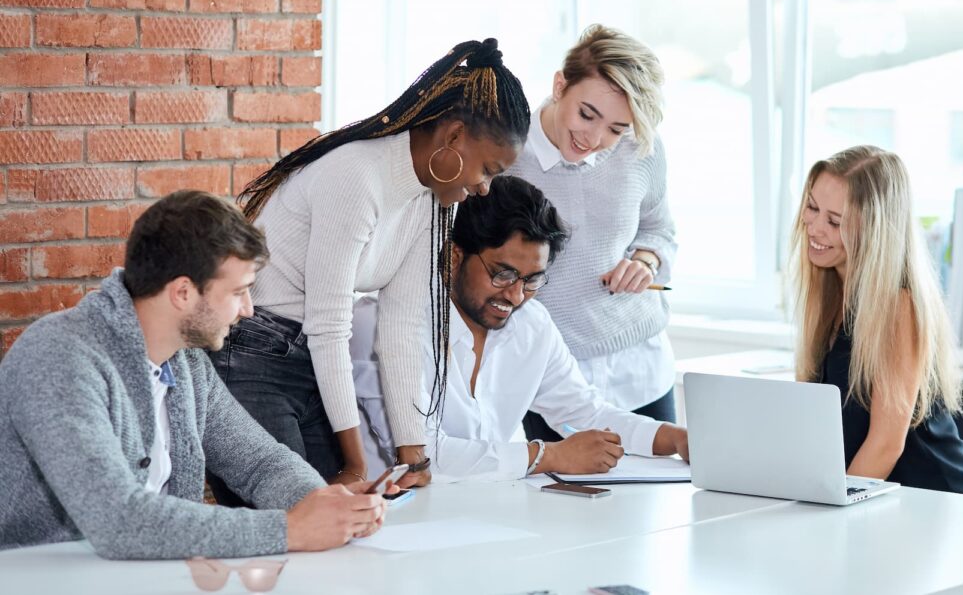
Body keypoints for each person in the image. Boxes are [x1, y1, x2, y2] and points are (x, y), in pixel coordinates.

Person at [209, 39, 531, 500]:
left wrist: (413, 457)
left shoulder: (431, 200)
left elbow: (399, 328)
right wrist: (356, 465)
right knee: (289, 524)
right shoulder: (356, 176)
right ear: (454, 136)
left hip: (311, 364)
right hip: (251, 356)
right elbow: (329, 325)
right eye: (487, 169)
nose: (484, 188)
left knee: (335, 536)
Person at [0, 191, 390, 559]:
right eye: (239, 292)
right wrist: (290, 530)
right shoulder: (59, 357)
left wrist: (324, 507)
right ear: (183, 293)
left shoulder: (185, 363)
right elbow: (118, 520)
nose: (249, 310)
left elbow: (261, 462)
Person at [422, 176, 689, 482]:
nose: (516, 295)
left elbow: (585, 411)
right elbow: (423, 453)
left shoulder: (531, 324)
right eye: (503, 274)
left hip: (486, 511)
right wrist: (550, 455)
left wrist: (676, 438)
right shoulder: (402, 323)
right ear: (455, 257)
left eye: (532, 279)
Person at [505, 25, 677, 443]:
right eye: (587, 114)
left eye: (616, 128)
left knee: (657, 503)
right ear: (560, 85)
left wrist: (644, 261)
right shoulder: (506, 158)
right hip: (552, 376)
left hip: (641, 366)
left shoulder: (641, 149)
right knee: (566, 505)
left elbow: (658, 228)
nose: (595, 139)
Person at [790, 146, 963, 495]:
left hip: (934, 505)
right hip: (874, 503)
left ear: (875, 231)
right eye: (812, 208)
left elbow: (885, 446)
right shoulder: (828, 297)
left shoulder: (900, 307)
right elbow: (809, 426)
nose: (815, 229)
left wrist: (825, 513)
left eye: (834, 221)